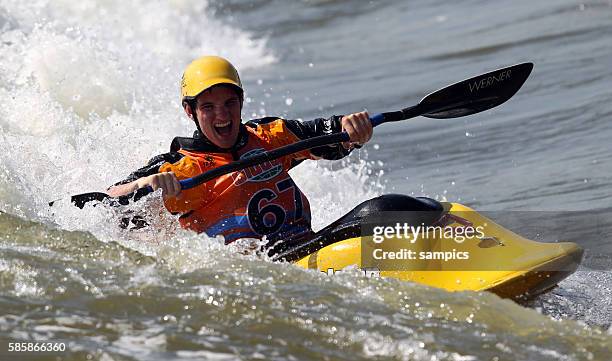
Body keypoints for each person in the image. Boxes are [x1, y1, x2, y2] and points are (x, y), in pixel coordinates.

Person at [108, 56, 442, 257]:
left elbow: (327, 136)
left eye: (229, 103)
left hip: (307, 244)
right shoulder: (179, 167)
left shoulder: (269, 136)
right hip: (255, 268)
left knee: (392, 207)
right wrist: (148, 184)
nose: (221, 116)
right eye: (208, 107)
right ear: (190, 111)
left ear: (241, 101)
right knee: (381, 212)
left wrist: (352, 131)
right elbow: (105, 201)